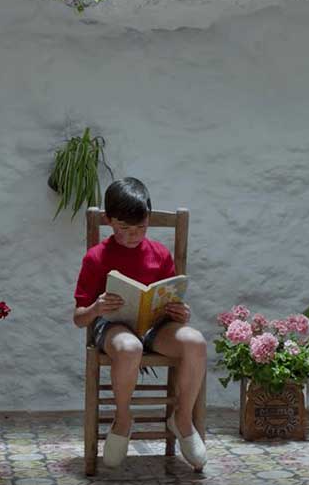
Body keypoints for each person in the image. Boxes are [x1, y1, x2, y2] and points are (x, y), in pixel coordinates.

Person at [73, 177, 207, 470]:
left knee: (195, 341)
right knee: (129, 346)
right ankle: (123, 419)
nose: (134, 235)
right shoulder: (96, 258)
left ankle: (182, 418)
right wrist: (96, 307)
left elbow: (170, 299)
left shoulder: (159, 254)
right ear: (109, 221)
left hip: (154, 325)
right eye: (125, 229)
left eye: (141, 228)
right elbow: (78, 318)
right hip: (112, 327)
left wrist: (179, 311)